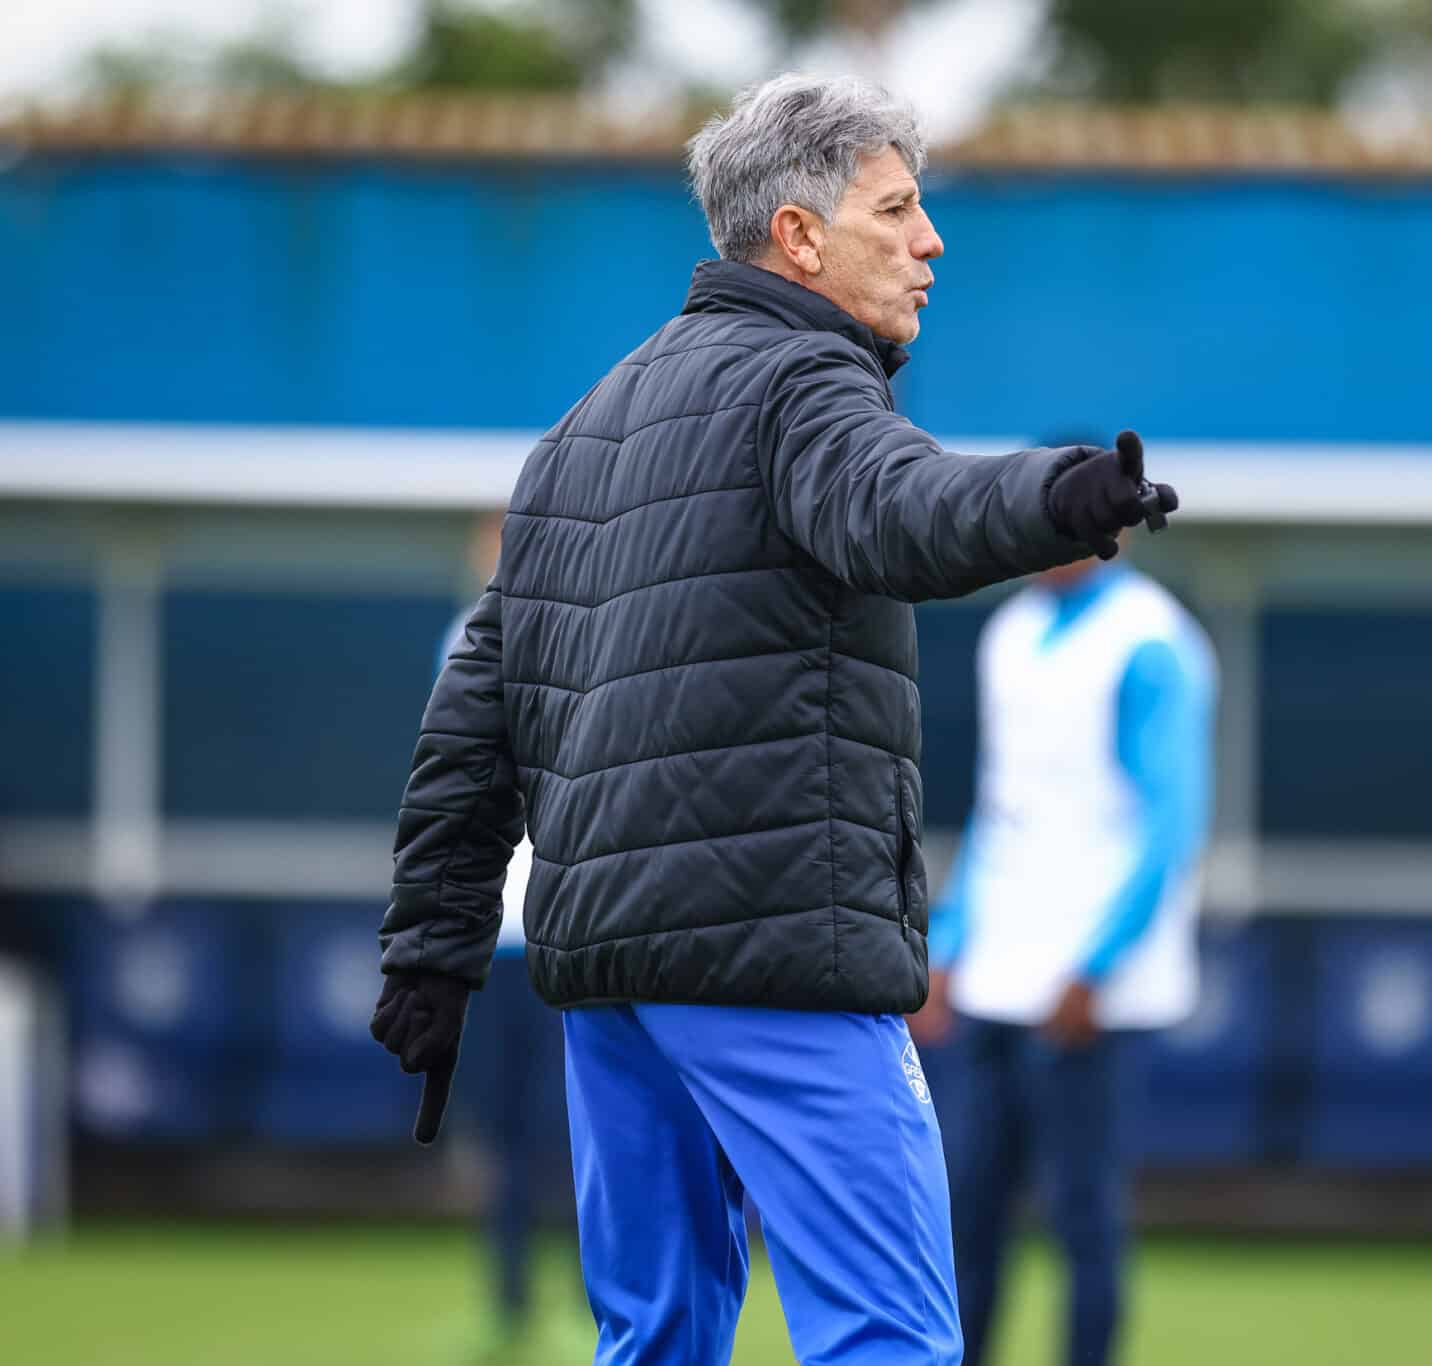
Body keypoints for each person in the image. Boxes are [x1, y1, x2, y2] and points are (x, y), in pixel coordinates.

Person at [368, 73, 1179, 1366]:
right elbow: (903, 504)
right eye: (899, 209)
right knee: (888, 1334)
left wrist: (431, 948)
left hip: (611, 986)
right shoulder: (805, 381)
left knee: (656, 1333)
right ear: (799, 236)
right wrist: (1060, 496)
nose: (933, 241)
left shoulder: (579, 432)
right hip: (774, 959)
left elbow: (478, 715)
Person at [910, 538, 1216, 1366]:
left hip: (1092, 995)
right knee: (967, 1214)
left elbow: (1172, 825)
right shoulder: (1007, 632)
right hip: (997, 978)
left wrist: (1097, 966)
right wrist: (949, 943)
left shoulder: (1152, 641)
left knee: (1084, 1220)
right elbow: (1001, 807)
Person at [436, 510, 575, 1352]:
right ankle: (513, 1299)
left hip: (568, 936)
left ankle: (605, 1297)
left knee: (580, 1135)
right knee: (505, 1137)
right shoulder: (464, 640)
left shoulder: (581, 629)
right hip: (495, 943)